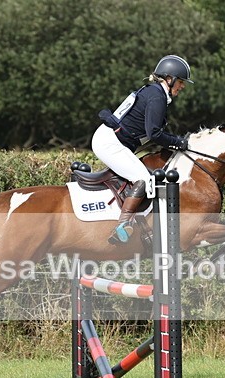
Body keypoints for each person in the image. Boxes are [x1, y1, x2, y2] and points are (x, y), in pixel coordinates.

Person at [92, 54, 192, 244]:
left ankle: (141, 224)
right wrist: (179, 143)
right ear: (169, 79)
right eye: (180, 81)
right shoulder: (157, 96)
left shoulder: (154, 92)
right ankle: (121, 226)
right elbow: (154, 134)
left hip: (114, 141)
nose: (183, 86)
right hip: (110, 142)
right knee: (145, 179)